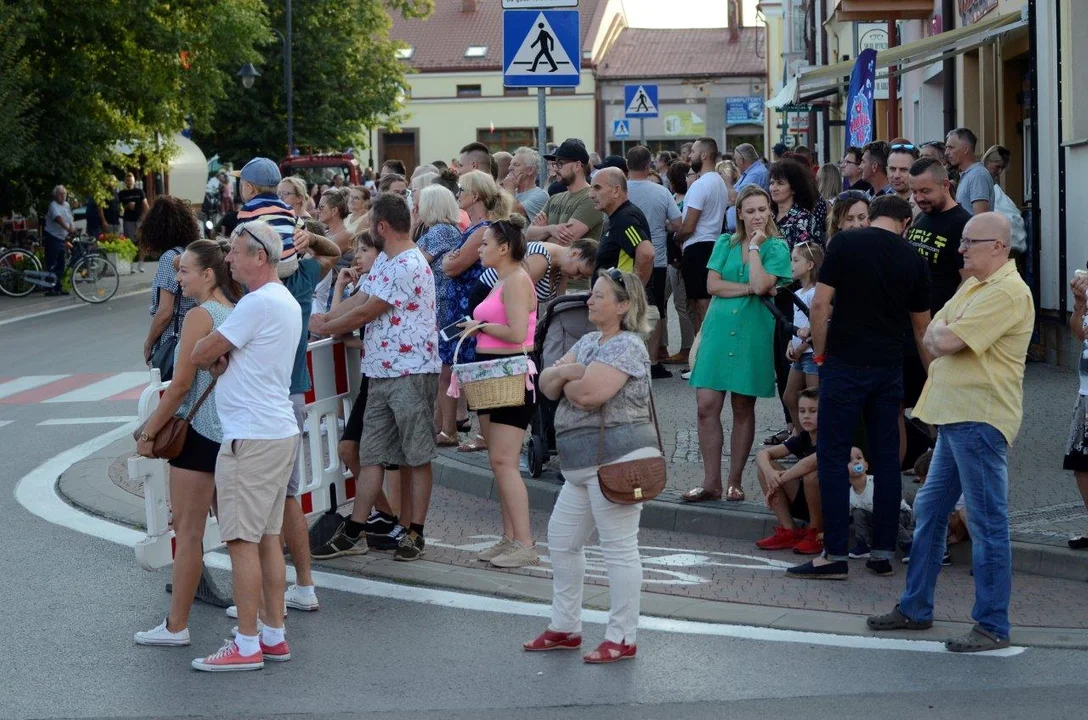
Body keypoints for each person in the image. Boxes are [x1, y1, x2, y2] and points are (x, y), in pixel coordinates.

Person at [868, 212, 1033, 652]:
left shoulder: (1007, 292)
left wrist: (944, 333)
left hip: (979, 418)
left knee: (986, 521)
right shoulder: (976, 285)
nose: (960, 248)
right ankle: (916, 607)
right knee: (929, 510)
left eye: (969, 242)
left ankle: (992, 624)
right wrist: (943, 332)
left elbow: (943, 340)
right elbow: (932, 333)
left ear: (998, 247)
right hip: (958, 416)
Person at [787, 195, 931, 581]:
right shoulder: (912, 257)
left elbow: (820, 305)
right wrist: (934, 377)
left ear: (876, 216)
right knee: (887, 459)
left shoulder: (846, 244)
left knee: (832, 455)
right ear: (904, 222)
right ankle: (883, 551)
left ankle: (833, 553)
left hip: (845, 364)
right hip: (888, 367)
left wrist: (819, 355)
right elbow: (922, 328)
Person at [528, 269, 660, 664]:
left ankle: (622, 636)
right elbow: (547, 383)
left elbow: (588, 395)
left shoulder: (628, 346)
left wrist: (568, 378)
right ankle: (565, 627)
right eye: (592, 294)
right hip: (581, 464)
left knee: (619, 549)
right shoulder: (588, 341)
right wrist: (569, 374)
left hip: (617, 461)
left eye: (599, 296)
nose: (590, 300)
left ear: (623, 306)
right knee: (563, 540)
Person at [189, 221, 303, 672]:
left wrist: (216, 354)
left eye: (235, 252)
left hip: (250, 435)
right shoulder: (285, 300)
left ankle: (247, 642)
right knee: (268, 538)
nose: (229, 260)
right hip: (275, 430)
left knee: (240, 539)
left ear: (260, 257)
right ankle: (272, 634)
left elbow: (202, 352)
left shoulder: (255, 304)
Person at [307, 194, 441, 563]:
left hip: (411, 370)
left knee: (416, 456)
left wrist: (325, 325)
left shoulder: (409, 264)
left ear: (382, 227)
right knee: (372, 454)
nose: (366, 231)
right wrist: (326, 322)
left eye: (369, 226)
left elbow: (367, 311)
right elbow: (362, 297)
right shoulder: (386, 260)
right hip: (381, 370)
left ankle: (415, 532)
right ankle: (355, 528)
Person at [133, 239, 239, 648]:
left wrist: (148, 431)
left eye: (185, 271)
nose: (178, 279)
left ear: (208, 274)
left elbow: (179, 387)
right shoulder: (234, 309)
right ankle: (264, 614)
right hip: (229, 430)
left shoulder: (199, 316)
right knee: (240, 531)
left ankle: (176, 626)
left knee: (189, 533)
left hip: (198, 434)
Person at [683, 186, 791, 504]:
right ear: (739, 214)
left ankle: (734, 481)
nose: (757, 216)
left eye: (762, 209)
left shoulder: (776, 247)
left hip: (753, 332)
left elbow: (763, 283)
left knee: (743, 407)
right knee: (706, 406)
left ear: (770, 211)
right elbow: (712, 285)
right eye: (751, 210)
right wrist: (748, 289)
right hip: (718, 328)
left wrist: (756, 250)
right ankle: (710, 481)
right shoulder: (724, 242)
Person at [459, 218, 541, 569]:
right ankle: (510, 538)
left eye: (485, 244)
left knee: (505, 461)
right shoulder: (503, 280)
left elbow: (518, 332)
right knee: (498, 460)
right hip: (492, 373)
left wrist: (479, 327)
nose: (480, 249)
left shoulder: (517, 281)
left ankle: (524, 542)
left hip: (511, 373)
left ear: (504, 248)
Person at [903, 157, 971, 415]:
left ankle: (940, 453)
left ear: (945, 185)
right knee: (911, 403)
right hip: (912, 330)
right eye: (914, 191)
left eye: (925, 191)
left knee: (939, 404)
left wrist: (946, 323)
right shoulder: (921, 219)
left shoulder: (962, 223)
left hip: (937, 332)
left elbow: (967, 282)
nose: (918, 198)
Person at [413, 184, 466, 447]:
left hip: (443, 306)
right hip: (441, 304)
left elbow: (414, 262)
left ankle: (447, 428)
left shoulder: (441, 231)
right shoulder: (443, 230)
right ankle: (440, 426)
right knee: (442, 369)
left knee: (444, 369)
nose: (417, 207)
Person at [626, 146, 682, 377]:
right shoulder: (661, 192)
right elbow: (678, 225)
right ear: (649, 164)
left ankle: (627, 358)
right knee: (656, 310)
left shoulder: (620, 190)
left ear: (627, 164)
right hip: (656, 259)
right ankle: (653, 360)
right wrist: (662, 226)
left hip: (626, 260)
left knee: (626, 308)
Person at [675, 137, 729, 334]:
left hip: (698, 247)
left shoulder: (700, 184)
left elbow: (689, 226)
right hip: (713, 244)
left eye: (693, 151)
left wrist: (676, 237)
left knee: (701, 305)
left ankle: (702, 353)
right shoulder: (719, 182)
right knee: (706, 302)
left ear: (704, 155)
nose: (690, 156)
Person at [140, 197, 201, 369]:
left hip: (173, 337)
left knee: (170, 391)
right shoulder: (191, 253)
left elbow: (165, 312)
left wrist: (149, 342)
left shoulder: (169, 258)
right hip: (194, 332)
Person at [526, 139, 604, 245]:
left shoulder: (591, 198)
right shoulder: (554, 198)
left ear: (577, 166)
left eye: (560, 163)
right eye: (555, 164)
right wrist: (549, 229)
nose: (556, 169)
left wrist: (541, 235)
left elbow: (562, 242)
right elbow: (528, 235)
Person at [782, 242, 823, 440]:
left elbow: (817, 326)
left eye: (796, 260)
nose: (792, 264)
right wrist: (792, 344)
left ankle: (816, 442)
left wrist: (802, 347)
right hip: (799, 354)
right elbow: (798, 324)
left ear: (810, 265)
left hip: (810, 354)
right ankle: (803, 439)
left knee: (813, 400)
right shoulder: (798, 293)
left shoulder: (815, 293)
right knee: (790, 397)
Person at [234, 157, 299, 277]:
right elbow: (301, 228)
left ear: (249, 188)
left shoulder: (249, 209)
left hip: (269, 267)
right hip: (291, 265)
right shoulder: (287, 208)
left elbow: (237, 240)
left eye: (241, 185)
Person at [848, 447, 914, 559]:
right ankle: (863, 545)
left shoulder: (876, 482)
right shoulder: (850, 494)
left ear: (866, 466)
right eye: (850, 460)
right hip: (875, 518)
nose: (856, 461)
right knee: (858, 512)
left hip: (900, 513)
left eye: (859, 458)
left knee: (886, 515)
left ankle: (909, 546)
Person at [663, 161, 695, 367]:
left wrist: (667, 224)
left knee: (681, 303)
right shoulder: (676, 199)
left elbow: (679, 227)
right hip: (669, 257)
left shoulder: (685, 202)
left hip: (677, 259)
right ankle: (662, 345)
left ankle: (687, 347)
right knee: (663, 301)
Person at [982, 145, 1028, 255]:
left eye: (1002, 168)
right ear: (988, 161)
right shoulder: (983, 182)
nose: (1000, 171)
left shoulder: (990, 183)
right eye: (998, 167)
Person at [946, 127, 995, 216]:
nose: (946, 152)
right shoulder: (969, 175)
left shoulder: (977, 175)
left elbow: (981, 218)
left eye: (951, 147)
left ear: (965, 149)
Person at [725, 142, 770, 233]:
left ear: (741, 160)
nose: (735, 163)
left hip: (749, 226)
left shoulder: (756, 173)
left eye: (736, 159)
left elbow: (734, 198)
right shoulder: (749, 172)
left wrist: (727, 180)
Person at [42, 185, 75, 296]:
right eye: (60, 194)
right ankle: (50, 288)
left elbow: (70, 218)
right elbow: (58, 219)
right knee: (52, 262)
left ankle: (58, 287)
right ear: (55, 195)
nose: (63, 196)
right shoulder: (53, 205)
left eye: (64, 194)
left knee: (61, 262)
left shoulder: (67, 205)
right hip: (52, 236)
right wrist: (68, 228)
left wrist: (73, 227)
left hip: (61, 238)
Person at [503, 147, 549, 219]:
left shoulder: (540, 195)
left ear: (530, 170)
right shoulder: (511, 192)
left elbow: (515, 213)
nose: (510, 168)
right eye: (510, 164)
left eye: (516, 164)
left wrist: (509, 189)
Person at [119, 171, 150, 272]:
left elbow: (146, 205)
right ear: (125, 182)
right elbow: (119, 208)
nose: (129, 181)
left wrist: (144, 218)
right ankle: (131, 265)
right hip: (128, 220)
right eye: (127, 180)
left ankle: (141, 264)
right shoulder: (122, 193)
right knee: (130, 243)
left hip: (139, 220)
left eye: (131, 180)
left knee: (142, 242)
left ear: (134, 181)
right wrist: (125, 207)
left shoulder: (139, 192)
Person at [888, 142, 921, 213]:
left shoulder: (924, 207)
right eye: (892, 169)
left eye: (903, 170)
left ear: (917, 171)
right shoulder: (883, 206)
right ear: (886, 170)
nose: (896, 175)